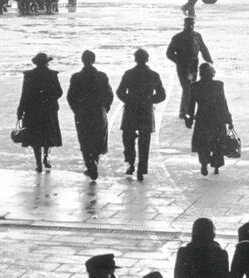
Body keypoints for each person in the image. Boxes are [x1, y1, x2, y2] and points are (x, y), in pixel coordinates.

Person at [116, 49, 166, 182]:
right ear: (147, 59)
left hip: (131, 110)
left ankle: (131, 164)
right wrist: (150, 100)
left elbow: (120, 92)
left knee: (128, 140)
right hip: (146, 111)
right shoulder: (153, 75)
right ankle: (142, 169)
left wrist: (129, 99)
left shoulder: (128, 74)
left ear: (135, 59)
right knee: (145, 142)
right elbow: (162, 95)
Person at [66, 50, 114, 180]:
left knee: (84, 138)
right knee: (98, 138)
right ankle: (95, 162)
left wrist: (76, 109)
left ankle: (89, 164)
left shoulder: (76, 77)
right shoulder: (102, 76)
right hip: (98, 111)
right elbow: (110, 94)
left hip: (82, 112)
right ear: (94, 60)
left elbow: (70, 96)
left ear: (82, 60)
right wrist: (106, 108)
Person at [16, 52, 63, 172]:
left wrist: (20, 110)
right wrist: (48, 97)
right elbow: (59, 92)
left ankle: (38, 163)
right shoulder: (52, 74)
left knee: (35, 137)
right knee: (47, 135)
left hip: (32, 110)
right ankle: (46, 157)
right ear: (47, 62)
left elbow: (24, 94)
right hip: (49, 109)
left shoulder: (29, 75)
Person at [185, 63, 232, 176]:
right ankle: (216, 166)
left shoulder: (195, 86)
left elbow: (190, 105)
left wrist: (189, 119)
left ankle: (204, 163)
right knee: (217, 143)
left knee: (203, 143)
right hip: (217, 119)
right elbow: (223, 104)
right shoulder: (218, 85)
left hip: (202, 119)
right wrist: (229, 119)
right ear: (212, 73)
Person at [166, 17, 212, 119]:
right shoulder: (177, 37)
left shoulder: (197, 36)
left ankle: (185, 112)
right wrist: (180, 61)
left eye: (192, 24)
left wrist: (209, 59)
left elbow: (203, 49)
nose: (191, 26)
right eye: (188, 24)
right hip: (183, 66)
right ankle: (186, 112)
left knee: (191, 88)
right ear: (184, 25)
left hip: (193, 65)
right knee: (187, 88)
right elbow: (169, 54)